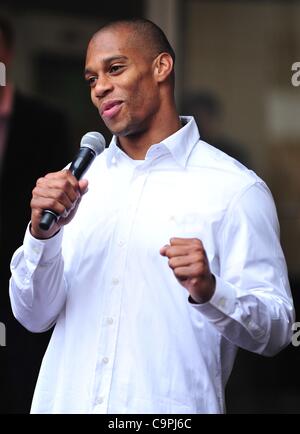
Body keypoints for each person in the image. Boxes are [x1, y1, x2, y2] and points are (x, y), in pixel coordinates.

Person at [9, 18, 294, 414]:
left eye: (115, 68)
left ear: (161, 67)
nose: (100, 88)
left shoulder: (235, 189)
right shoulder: (76, 186)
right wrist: (43, 239)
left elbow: (278, 330)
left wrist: (212, 291)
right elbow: (33, 316)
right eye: (91, 79)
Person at [0, 16, 72, 413]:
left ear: (6, 54)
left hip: (25, 277)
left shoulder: (46, 122)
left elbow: (59, 199)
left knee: (21, 385)